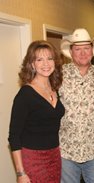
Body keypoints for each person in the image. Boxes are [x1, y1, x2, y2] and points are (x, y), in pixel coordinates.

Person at [8, 40, 65, 183]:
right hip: (34, 159)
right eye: (39, 59)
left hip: (54, 155)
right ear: (32, 64)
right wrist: (20, 173)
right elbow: (14, 137)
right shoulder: (25, 94)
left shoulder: (54, 89)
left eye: (49, 58)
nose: (46, 64)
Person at [59, 28, 94, 183]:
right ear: (71, 52)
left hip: (93, 149)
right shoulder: (58, 74)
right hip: (66, 150)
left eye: (86, 48)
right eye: (77, 49)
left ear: (92, 51)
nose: (82, 53)